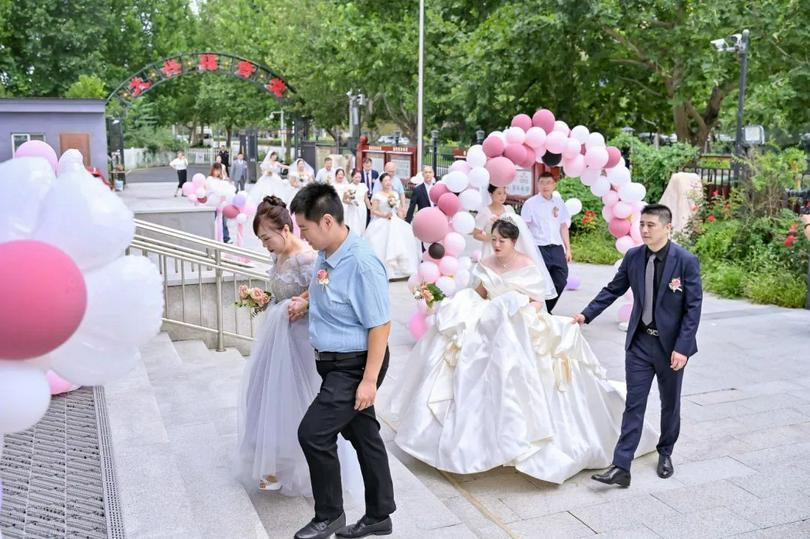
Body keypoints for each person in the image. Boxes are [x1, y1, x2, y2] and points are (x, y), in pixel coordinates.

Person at [390, 215, 657, 485]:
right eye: (493, 240)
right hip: (487, 323)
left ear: (513, 241)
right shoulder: (485, 263)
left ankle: (521, 437)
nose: (495, 245)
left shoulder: (527, 265)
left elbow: (537, 302)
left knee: (515, 371)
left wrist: (515, 311)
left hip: (517, 322)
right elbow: (480, 293)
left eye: (501, 241)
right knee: (464, 366)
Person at [289, 184, 396, 539]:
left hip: (356, 364)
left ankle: (329, 515)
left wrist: (368, 381)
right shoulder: (327, 251)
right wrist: (306, 301)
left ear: (328, 221)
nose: (301, 235)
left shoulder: (362, 263)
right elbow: (327, 290)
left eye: (304, 228)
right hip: (334, 363)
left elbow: (380, 325)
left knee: (313, 434)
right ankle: (380, 514)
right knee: (364, 434)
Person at [236, 196, 362, 496]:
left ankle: (300, 467)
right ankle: (274, 462)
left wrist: (303, 305)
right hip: (276, 338)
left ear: (285, 229)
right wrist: (265, 298)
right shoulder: (277, 256)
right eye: (261, 239)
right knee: (266, 396)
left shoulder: (307, 258)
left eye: (267, 237)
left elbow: (321, 295)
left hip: (299, 341)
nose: (265, 244)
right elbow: (283, 291)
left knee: (297, 401)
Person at [574, 203, 702, 487]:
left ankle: (665, 452)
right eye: (641, 224)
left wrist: (682, 347)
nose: (644, 230)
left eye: (650, 225)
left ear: (667, 227)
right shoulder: (633, 257)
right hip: (640, 343)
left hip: (671, 348)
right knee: (634, 404)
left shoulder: (685, 261)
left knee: (670, 404)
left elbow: (693, 308)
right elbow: (613, 289)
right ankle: (621, 466)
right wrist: (586, 314)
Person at [520, 172, 571, 313]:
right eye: (542, 182)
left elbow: (563, 226)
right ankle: (541, 311)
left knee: (561, 279)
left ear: (554, 185)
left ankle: (545, 309)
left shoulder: (559, 203)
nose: (545, 186)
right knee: (540, 282)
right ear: (538, 185)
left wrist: (568, 249)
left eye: (548, 182)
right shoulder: (530, 204)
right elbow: (524, 228)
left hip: (556, 247)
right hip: (538, 248)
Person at [364, 173, 419, 280]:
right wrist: (384, 215)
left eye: (389, 180)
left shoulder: (395, 193)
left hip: (394, 220)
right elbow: (373, 211)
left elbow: (397, 209)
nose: (388, 183)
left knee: (401, 239)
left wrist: (401, 214)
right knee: (380, 244)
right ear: (381, 183)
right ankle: (384, 270)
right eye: (385, 181)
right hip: (381, 220)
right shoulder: (377, 195)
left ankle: (399, 270)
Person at [472, 184, 515, 257]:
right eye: (499, 193)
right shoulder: (485, 212)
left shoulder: (509, 209)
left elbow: (515, 229)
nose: (502, 196)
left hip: (507, 250)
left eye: (504, 193)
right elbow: (476, 234)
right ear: (491, 194)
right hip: (490, 250)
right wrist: (493, 238)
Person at [206, 163, 232, 243]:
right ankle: (210, 236)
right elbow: (213, 189)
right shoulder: (209, 179)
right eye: (216, 170)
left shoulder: (221, 179)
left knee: (224, 221)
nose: (217, 172)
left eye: (219, 170)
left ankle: (225, 237)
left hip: (222, 202)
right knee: (212, 219)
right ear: (212, 170)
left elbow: (226, 188)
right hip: (213, 202)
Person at [343, 170, 369, 235]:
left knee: (361, 225)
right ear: (352, 177)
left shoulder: (363, 186)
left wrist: (370, 208)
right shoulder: (348, 187)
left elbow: (366, 198)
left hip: (362, 208)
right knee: (353, 225)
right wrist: (351, 202)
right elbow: (344, 200)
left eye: (359, 177)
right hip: (352, 209)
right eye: (356, 177)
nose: (358, 179)